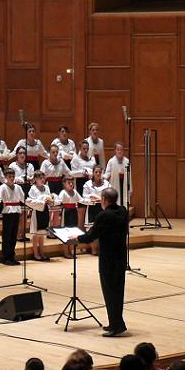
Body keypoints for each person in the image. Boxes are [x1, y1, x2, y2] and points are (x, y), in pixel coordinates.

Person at [77, 187, 129, 337]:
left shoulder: (103, 215)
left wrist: (76, 238)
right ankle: (118, 322)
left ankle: (115, 326)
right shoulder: (123, 211)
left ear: (104, 200)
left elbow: (90, 236)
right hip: (120, 257)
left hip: (108, 259)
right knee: (118, 291)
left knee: (110, 292)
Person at [0, 167, 25, 267]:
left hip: (16, 211)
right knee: (6, 235)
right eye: (9, 176)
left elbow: (24, 199)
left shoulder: (18, 187)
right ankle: (5, 257)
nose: (12, 178)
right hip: (7, 212)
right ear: (5, 177)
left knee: (13, 235)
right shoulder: (2, 187)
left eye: (13, 176)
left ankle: (12, 256)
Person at [26, 170, 53, 262]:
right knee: (36, 234)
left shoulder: (46, 187)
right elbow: (31, 201)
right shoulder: (33, 189)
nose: (42, 180)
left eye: (43, 178)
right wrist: (42, 201)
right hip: (37, 212)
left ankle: (42, 252)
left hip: (45, 211)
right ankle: (36, 253)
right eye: (40, 178)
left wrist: (50, 201)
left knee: (42, 234)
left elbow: (49, 197)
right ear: (35, 179)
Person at [104, 143, 131, 210]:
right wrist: (102, 178)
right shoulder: (111, 161)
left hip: (124, 186)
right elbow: (107, 173)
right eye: (118, 149)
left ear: (123, 151)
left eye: (121, 149)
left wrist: (130, 188)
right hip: (115, 185)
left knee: (124, 203)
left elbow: (129, 176)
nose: (119, 151)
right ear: (115, 150)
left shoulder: (127, 161)